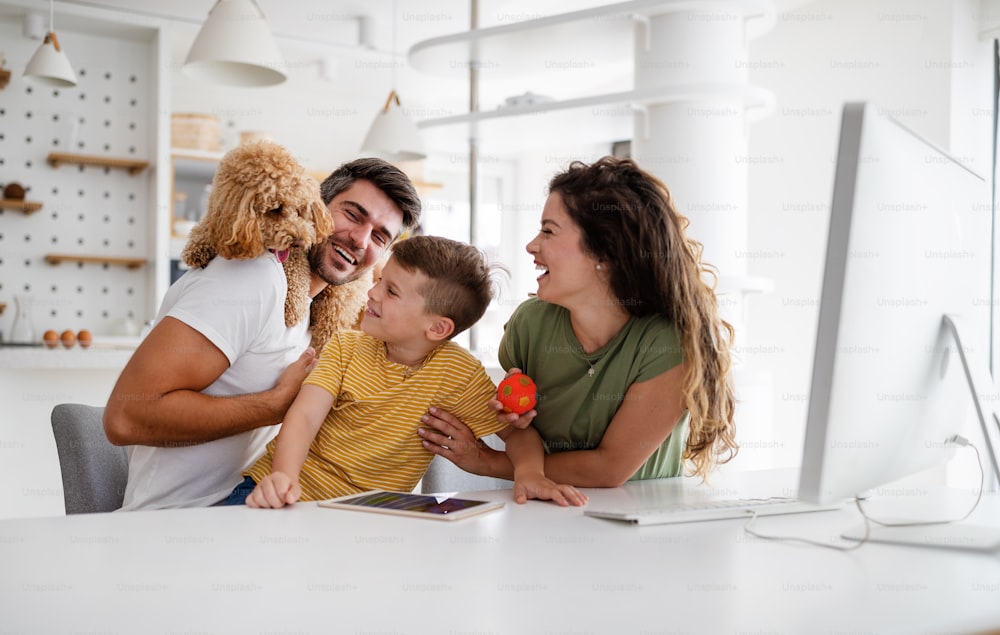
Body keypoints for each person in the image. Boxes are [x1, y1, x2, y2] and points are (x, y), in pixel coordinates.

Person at [104, 158, 422, 510]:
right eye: (353, 214)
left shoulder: (315, 308)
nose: (361, 240)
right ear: (314, 206)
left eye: (380, 236)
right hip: (182, 522)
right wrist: (274, 406)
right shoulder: (254, 277)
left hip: (255, 511)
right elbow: (124, 418)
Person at [417, 156, 738, 491]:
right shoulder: (530, 324)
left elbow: (608, 468)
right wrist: (511, 421)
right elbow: (520, 430)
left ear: (605, 253)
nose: (531, 245)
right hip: (544, 514)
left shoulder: (666, 343)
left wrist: (488, 462)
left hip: (640, 522)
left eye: (548, 231)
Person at [226, 235, 586, 508]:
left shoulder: (457, 373)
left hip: (367, 515)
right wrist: (283, 477)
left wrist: (529, 473)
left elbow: (517, 433)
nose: (373, 292)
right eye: (380, 280)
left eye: (391, 291)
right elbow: (304, 417)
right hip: (278, 489)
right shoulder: (345, 347)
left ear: (438, 329)